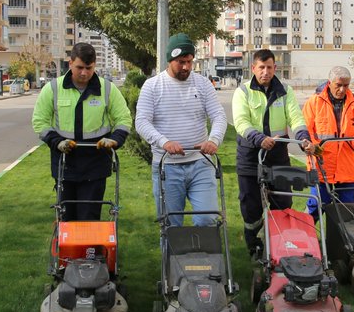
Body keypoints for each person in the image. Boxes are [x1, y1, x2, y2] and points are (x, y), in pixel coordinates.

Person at [136, 33, 228, 227]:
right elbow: (142, 122)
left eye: (189, 61)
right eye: (180, 62)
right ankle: (171, 257)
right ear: (170, 60)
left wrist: (214, 140)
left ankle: (203, 256)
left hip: (200, 164)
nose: (186, 66)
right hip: (167, 166)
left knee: (207, 218)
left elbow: (219, 116)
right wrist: (164, 142)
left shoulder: (203, 84)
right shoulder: (152, 86)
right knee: (170, 223)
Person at [32, 43, 131, 222]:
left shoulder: (107, 89)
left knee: (89, 216)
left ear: (94, 66)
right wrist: (56, 141)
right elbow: (40, 121)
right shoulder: (53, 88)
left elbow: (124, 119)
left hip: (96, 161)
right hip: (65, 160)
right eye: (79, 67)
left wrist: (114, 140)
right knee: (66, 216)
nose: (84, 73)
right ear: (70, 64)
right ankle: (67, 249)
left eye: (89, 68)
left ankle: (90, 250)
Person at [232, 49, 314, 257]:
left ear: (275, 68)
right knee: (251, 207)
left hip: (278, 156)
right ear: (253, 68)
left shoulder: (285, 91)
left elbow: (295, 118)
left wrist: (303, 136)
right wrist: (259, 138)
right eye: (261, 67)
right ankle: (254, 244)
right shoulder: (243, 91)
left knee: (283, 202)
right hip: (251, 156)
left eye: (269, 67)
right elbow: (241, 122)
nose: (265, 72)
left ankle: (281, 246)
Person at [303, 65, 354, 220]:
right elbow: (306, 130)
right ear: (330, 83)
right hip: (321, 165)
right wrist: (314, 149)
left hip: (347, 166)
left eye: (346, 86)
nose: (342, 89)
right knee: (317, 205)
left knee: (347, 208)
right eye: (338, 85)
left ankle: (343, 243)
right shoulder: (314, 103)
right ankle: (304, 239)